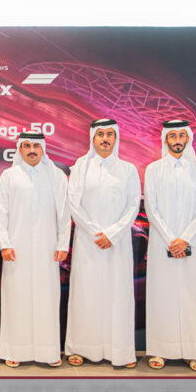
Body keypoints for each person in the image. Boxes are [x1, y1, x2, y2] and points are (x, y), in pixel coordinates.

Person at [65, 118, 141, 369]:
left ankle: (120, 351)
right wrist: (95, 232)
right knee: (86, 294)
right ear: (93, 138)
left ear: (116, 138)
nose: (105, 139)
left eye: (110, 134)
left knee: (118, 296)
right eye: (101, 134)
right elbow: (73, 203)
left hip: (117, 244)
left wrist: (113, 233)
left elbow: (133, 204)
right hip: (88, 243)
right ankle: (80, 348)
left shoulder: (128, 169)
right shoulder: (81, 167)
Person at [144, 120, 196, 372]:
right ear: (165, 139)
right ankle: (161, 350)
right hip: (161, 241)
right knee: (161, 293)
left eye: (181, 136)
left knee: (192, 294)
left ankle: (194, 351)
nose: (177, 141)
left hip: (191, 242)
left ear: (187, 139)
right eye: (172, 136)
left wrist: (185, 239)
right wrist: (170, 238)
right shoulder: (153, 169)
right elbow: (151, 208)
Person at [0, 131, 70, 368]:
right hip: (16, 249)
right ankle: (15, 350)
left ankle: (49, 352)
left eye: (36, 146)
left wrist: (62, 243)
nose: (31, 150)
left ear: (43, 149)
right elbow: (1, 213)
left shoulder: (56, 176)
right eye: (26, 146)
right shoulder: (9, 176)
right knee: (17, 298)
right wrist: (5, 244)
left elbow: (64, 213)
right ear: (19, 149)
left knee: (47, 298)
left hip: (48, 248)